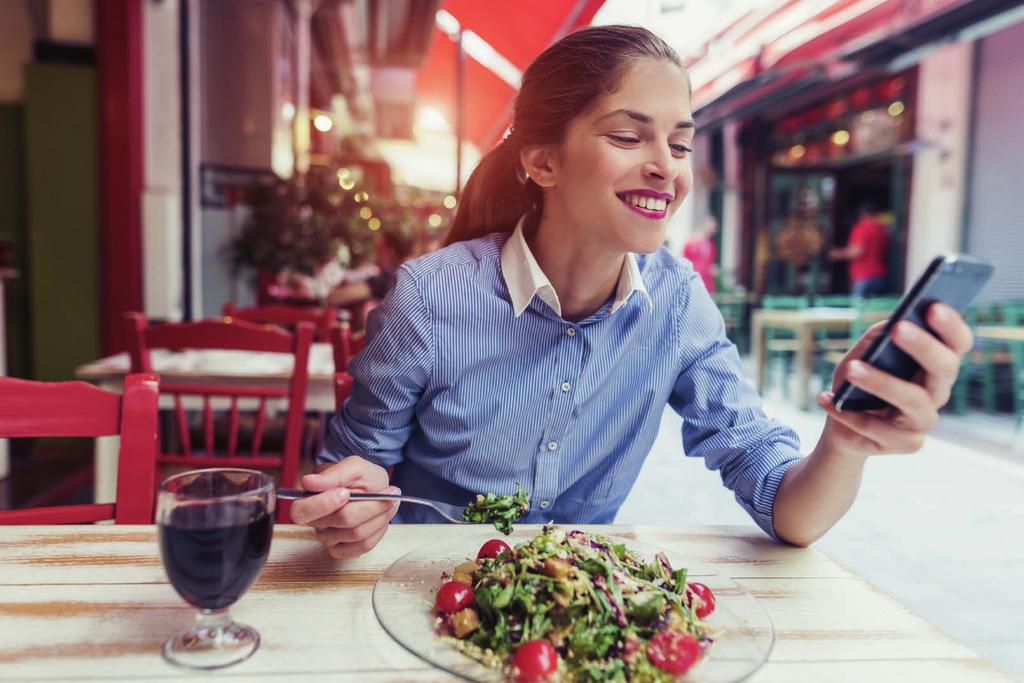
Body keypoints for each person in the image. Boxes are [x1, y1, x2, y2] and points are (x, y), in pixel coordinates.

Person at [291, 26, 973, 559]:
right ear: (542, 160)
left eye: (679, 145)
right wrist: (349, 505)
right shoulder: (429, 298)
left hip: (577, 617)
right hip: (423, 591)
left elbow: (787, 509)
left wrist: (847, 439)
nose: (664, 168)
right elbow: (350, 474)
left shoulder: (678, 303)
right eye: (627, 135)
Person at [830, 203, 891, 298]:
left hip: (863, 275)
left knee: (860, 309)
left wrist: (837, 254)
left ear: (863, 214)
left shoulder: (861, 228)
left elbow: (857, 252)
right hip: (880, 274)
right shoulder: (882, 229)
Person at [682, 216, 718, 292]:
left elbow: (710, 263)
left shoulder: (711, 245)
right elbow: (685, 261)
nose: (711, 230)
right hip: (694, 281)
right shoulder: (691, 244)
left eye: (713, 229)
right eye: (710, 227)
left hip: (707, 283)